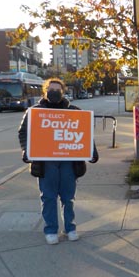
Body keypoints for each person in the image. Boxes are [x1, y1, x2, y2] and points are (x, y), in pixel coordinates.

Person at [18, 78, 99, 245]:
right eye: (51, 89)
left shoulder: (74, 111)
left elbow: (84, 134)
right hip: (45, 162)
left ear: (63, 91)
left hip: (69, 161)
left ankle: (70, 228)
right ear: (45, 91)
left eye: (58, 89)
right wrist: (27, 151)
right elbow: (23, 133)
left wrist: (92, 152)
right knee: (48, 197)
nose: (54, 92)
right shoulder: (34, 112)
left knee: (68, 197)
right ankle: (51, 229)